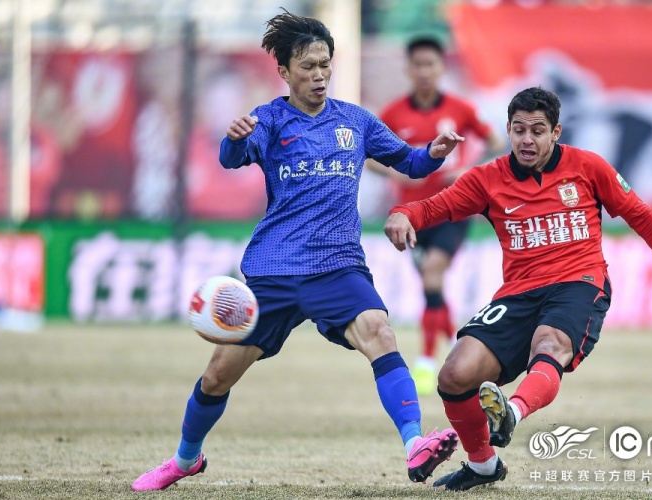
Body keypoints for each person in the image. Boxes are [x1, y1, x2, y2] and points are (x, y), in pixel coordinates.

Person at [131, 10, 466, 491]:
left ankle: (415, 443)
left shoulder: (355, 120)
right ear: (285, 71)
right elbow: (231, 159)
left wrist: (433, 152)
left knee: (379, 332)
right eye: (308, 66)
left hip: (337, 265)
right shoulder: (269, 119)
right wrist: (233, 140)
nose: (319, 75)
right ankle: (185, 459)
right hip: (275, 270)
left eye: (325, 65)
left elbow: (409, 163)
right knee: (217, 376)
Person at [384, 87, 652, 491]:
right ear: (508, 129)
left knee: (550, 342)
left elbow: (640, 216)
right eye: (519, 130)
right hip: (518, 293)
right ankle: (484, 466)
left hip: (580, 282)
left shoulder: (588, 167)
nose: (527, 140)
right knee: (455, 375)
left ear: (556, 132)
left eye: (537, 131)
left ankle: (512, 413)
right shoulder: (487, 179)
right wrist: (403, 213)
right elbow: (432, 207)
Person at [367, 36, 505, 396]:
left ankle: (427, 361)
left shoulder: (460, 109)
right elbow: (366, 156)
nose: (424, 71)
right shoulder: (394, 114)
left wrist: (468, 170)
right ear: (408, 69)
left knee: (431, 275)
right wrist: (395, 174)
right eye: (418, 65)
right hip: (410, 216)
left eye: (430, 64)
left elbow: (495, 142)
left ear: (441, 67)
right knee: (433, 288)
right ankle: (459, 345)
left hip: (452, 210)